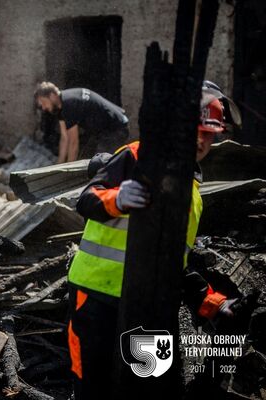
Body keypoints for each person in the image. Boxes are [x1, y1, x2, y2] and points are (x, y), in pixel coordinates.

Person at [65, 84, 242, 400]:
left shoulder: (192, 193)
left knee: (146, 387)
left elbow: (174, 263)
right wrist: (118, 198)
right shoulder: (136, 156)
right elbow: (87, 200)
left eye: (209, 134)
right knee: (93, 387)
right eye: (195, 131)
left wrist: (211, 303)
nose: (202, 141)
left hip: (146, 308)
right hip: (96, 299)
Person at [34, 82, 130, 164]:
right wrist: (59, 164)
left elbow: (73, 143)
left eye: (43, 102)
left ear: (52, 96)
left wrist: (67, 172)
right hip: (103, 131)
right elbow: (64, 138)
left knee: (101, 165)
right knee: (86, 157)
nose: (43, 108)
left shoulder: (68, 104)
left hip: (115, 129)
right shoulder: (61, 105)